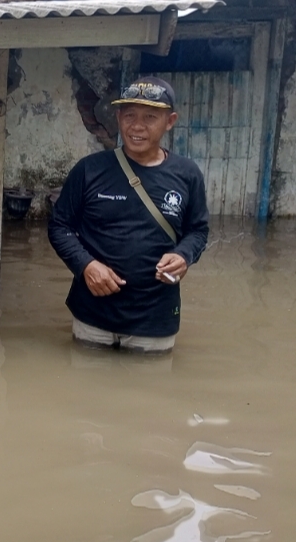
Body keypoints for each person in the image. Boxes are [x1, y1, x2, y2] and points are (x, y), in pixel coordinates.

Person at [48, 76, 209, 354]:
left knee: (150, 394)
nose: (137, 126)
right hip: (92, 317)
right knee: (83, 389)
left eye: (150, 117)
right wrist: (86, 265)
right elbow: (59, 226)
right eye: (130, 115)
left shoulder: (187, 174)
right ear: (119, 116)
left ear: (169, 121)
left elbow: (198, 231)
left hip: (155, 320)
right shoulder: (90, 170)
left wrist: (184, 255)